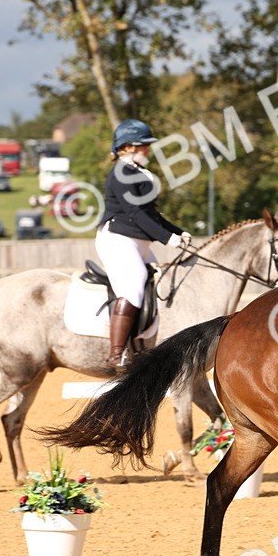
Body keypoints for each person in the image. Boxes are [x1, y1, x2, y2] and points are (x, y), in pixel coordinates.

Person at [95, 119, 191, 372]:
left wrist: (178, 232)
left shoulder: (137, 173)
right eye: (143, 146)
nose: (147, 150)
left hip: (138, 242)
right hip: (118, 239)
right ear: (127, 147)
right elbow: (137, 214)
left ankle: (147, 341)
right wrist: (167, 239)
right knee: (135, 284)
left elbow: (152, 215)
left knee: (160, 281)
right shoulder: (121, 174)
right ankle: (116, 354)